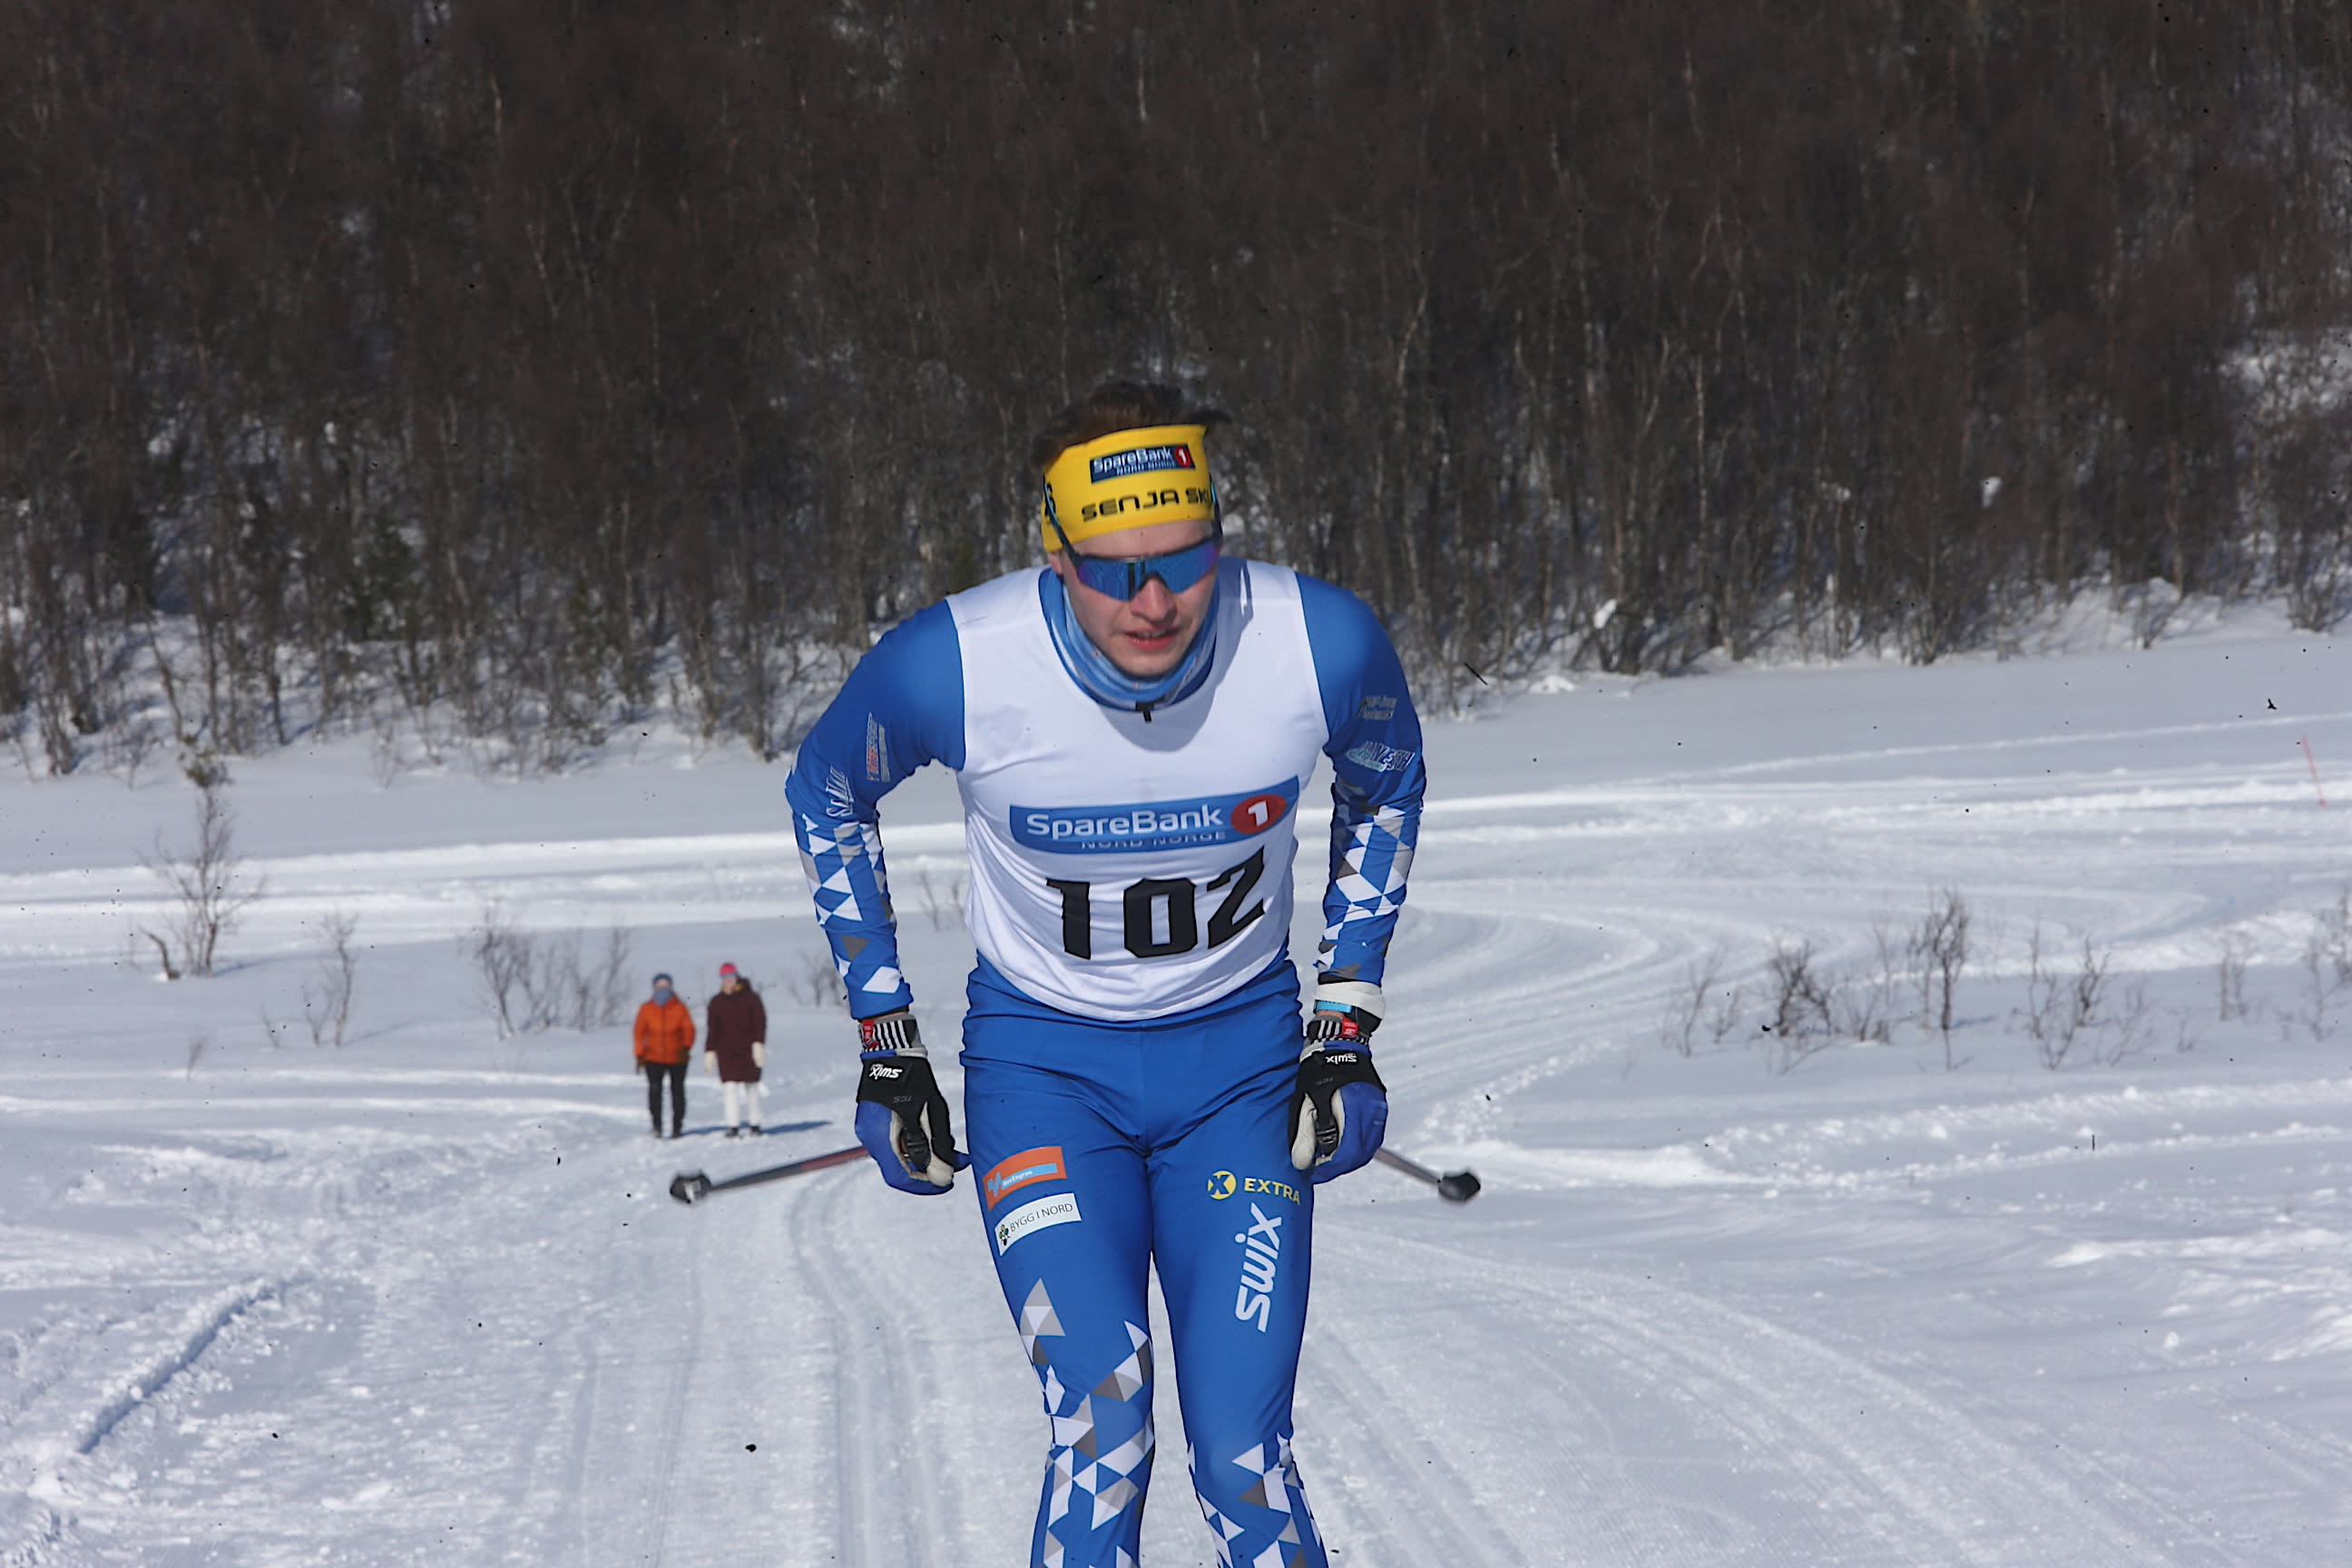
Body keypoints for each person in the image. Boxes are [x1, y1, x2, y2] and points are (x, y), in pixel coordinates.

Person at [785, 380, 1425, 1568]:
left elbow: (1387, 785)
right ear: (1056, 551)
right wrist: (888, 1047)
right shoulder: (956, 663)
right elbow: (827, 790)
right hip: (1046, 1082)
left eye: (1184, 562)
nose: (1154, 602)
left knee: (1242, 1454)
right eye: (1114, 571)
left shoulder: (1316, 642)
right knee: (1105, 1425)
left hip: (1236, 1083)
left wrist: (1346, 1021)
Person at [704, 961, 769, 1138]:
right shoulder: (717, 1002)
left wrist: (758, 1044)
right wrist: (710, 1051)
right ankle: (732, 1126)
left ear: (737, 977)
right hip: (727, 1053)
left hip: (749, 1051)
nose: (729, 980)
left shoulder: (751, 998)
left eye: (731, 976)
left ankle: (755, 1124)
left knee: (752, 1088)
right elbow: (713, 1029)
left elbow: (760, 1023)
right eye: (725, 977)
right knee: (730, 1089)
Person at [632, 973, 694, 1139]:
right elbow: (639, 1033)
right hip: (653, 1058)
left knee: (678, 1093)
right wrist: (639, 1055)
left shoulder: (680, 1008)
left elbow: (689, 1029)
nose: (663, 990)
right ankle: (657, 1126)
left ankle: (677, 1127)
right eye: (659, 986)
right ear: (654, 988)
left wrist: (686, 1047)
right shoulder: (646, 1009)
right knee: (655, 1093)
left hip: (677, 1058)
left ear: (671, 987)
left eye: (666, 986)